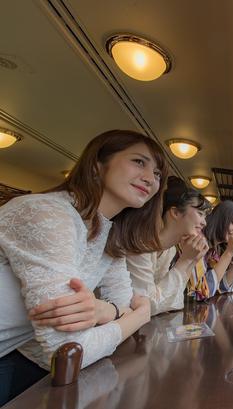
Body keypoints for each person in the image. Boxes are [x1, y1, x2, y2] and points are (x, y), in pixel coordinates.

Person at [0, 129, 168, 405]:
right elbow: (68, 351)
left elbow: (126, 301)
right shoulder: (47, 213)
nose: (151, 179)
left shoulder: (108, 237)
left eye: (158, 174)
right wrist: (138, 316)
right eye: (139, 162)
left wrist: (108, 310)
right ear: (96, 166)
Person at [127, 176, 211, 316]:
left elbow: (172, 299)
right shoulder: (141, 243)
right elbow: (149, 305)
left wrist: (192, 259)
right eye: (200, 214)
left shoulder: (169, 250)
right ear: (175, 212)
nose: (204, 223)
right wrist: (184, 260)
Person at [188, 201, 233, 300]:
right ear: (220, 218)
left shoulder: (214, 250)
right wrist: (229, 252)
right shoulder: (198, 241)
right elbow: (201, 293)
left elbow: (222, 286)